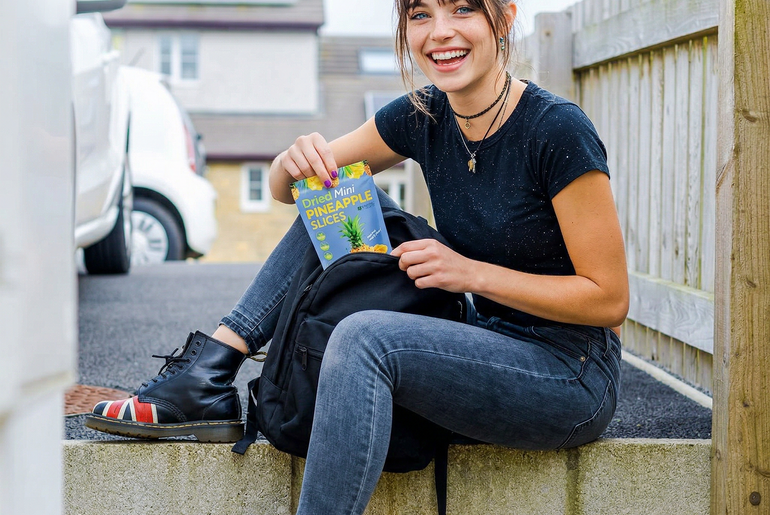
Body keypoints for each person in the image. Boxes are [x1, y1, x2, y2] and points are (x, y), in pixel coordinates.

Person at [86, 0, 629, 511]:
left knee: (365, 338)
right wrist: (291, 160)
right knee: (341, 194)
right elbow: (291, 187)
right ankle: (209, 373)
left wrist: (472, 274)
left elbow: (608, 300)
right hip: (480, 335)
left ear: (504, 19)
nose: (441, 30)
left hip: (569, 372)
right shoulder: (426, 114)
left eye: (464, 8)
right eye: (421, 13)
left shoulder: (557, 130)